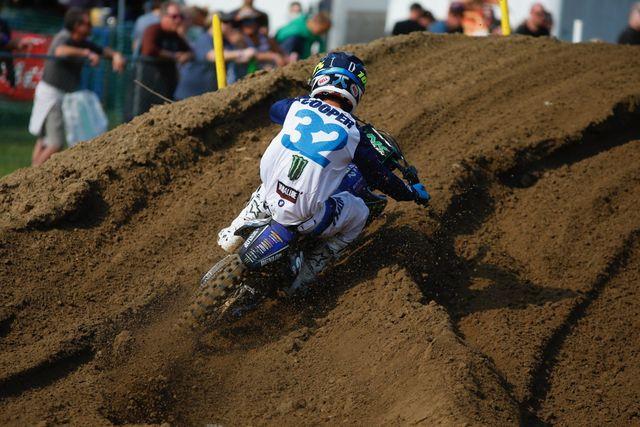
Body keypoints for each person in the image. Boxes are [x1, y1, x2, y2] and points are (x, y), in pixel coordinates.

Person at [216, 52, 431, 293]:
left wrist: (306, 102)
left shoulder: (296, 106)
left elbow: (274, 110)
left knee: (272, 181)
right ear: (356, 90)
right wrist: (411, 193)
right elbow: (381, 177)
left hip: (272, 197)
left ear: (320, 78)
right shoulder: (354, 134)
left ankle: (236, 230)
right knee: (360, 213)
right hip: (310, 218)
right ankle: (310, 269)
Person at [29, 7, 125, 166]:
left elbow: (102, 50)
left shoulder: (81, 42)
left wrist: (116, 55)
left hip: (60, 95)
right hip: (51, 96)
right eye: (87, 24)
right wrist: (86, 53)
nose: (91, 27)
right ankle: (32, 176)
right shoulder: (64, 37)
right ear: (76, 26)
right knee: (55, 143)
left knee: (44, 140)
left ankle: (29, 175)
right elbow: (60, 51)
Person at [135, 1, 192, 114]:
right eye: (174, 17)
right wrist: (173, 56)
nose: (178, 20)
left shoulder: (174, 35)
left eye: (181, 17)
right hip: (146, 87)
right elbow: (149, 49)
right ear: (163, 16)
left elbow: (189, 51)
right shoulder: (153, 29)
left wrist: (186, 56)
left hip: (165, 88)